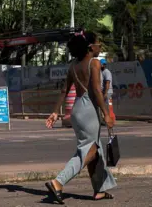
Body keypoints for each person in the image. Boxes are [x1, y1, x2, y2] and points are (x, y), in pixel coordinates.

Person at [45, 30, 116, 204]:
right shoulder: (94, 63)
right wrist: (107, 114)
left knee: (94, 150)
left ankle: (99, 190)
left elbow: (64, 91)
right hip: (89, 110)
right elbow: (97, 91)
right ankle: (58, 182)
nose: (100, 46)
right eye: (98, 43)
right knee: (88, 150)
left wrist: (55, 112)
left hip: (77, 109)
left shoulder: (73, 66)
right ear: (91, 47)